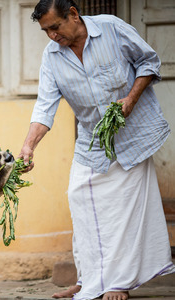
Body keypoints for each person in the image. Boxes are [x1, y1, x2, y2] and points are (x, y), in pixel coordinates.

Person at [18, 0, 175, 299]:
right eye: (45, 31)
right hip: (92, 139)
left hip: (133, 136)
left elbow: (149, 63)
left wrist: (129, 99)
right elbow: (45, 106)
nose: (52, 36)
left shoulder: (111, 28)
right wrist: (29, 145)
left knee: (124, 211)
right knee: (81, 201)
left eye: (55, 27)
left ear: (74, 15)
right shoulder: (52, 56)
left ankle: (117, 283)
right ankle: (89, 278)